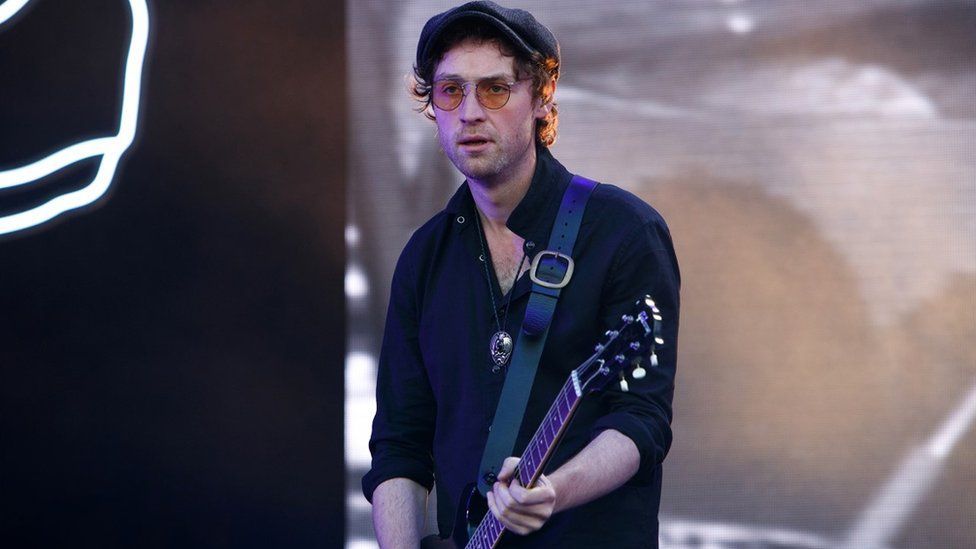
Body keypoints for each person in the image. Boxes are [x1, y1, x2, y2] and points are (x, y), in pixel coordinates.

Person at [362, 2, 680, 547]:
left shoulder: (624, 232)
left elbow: (641, 419)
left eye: (494, 89)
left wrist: (554, 490)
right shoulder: (424, 258)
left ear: (540, 97)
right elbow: (400, 445)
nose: (469, 112)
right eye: (450, 91)